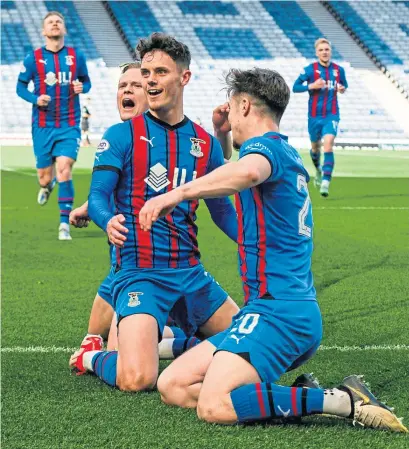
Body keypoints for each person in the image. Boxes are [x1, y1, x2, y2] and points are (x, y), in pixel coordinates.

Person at [139, 68, 407, 433]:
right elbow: (235, 168)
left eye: (232, 109)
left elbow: (246, 173)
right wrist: (221, 133)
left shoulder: (264, 150)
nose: (228, 116)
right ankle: (288, 397)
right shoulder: (281, 151)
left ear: (245, 105)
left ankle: (343, 400)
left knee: (214, 406)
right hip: (267, 311)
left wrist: (177, 193)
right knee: (173, 386)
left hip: (281, 315)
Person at [71, 33, 240, 391]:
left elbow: (221, 210)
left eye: (160, 72)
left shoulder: (204, 143)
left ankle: (176, 344)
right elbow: (97, 196)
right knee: (137, 379)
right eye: (146, 72)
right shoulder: (120, 135)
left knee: (249, 344)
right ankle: (91, 355)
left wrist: (254, 241)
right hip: (139, 275)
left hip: (191, 274)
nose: (150, 80)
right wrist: (106, 220)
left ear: (184, 77)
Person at [69, 63, 197, 364]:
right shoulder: (121, 137)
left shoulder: (177, 136)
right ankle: (96, 340)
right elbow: (122, 185)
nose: (126, 90)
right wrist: (93, 207)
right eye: (121, 85)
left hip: (174, 266)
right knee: (118, 274)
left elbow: (209, 169)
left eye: (135, 85)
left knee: (124, 355)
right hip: (134, 268)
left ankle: (180, 342)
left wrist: (220, 133)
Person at [16, 11, 91, 240]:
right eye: (50, 22)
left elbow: (86, 82)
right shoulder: (33, 58)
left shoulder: (76, 56)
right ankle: (47, 187)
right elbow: (20, 87)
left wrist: (82, 88)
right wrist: (35, 99)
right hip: (42, 126)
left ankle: (64, 224)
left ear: (64, 29)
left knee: (65, 168)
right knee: (45, 177)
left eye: (59, 21)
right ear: (43, 31)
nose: (55, 24)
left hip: (68, 124)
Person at [293, 38, 347, 197]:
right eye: (321, 50)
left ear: (330, 52)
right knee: (316, 148)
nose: (324, 52)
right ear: (317, 53)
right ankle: (318, 169)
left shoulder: (338, 70)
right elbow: (295, 87)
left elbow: (343, 85)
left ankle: (325, 181)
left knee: (328, 144)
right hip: (314, 117)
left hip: (332, 114)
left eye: (327, 49)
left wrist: (342, 89)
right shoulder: (310, 70)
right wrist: (311, 86)